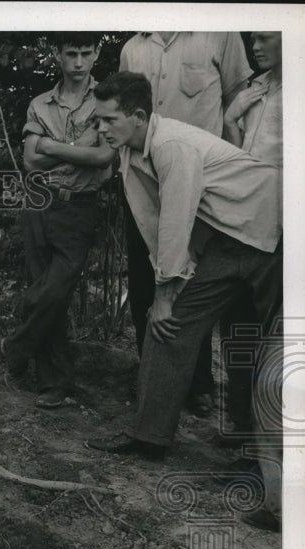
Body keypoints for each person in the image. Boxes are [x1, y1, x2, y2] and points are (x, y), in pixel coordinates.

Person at [86, 73, 281, 460]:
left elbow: (176, 220)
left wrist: (164, 294)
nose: (101, 128)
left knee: (268, 344)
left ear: (139, 116)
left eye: (110, 120)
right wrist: (170, 292)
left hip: (277, 231)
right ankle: (149, 437)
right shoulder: (131, 149)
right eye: (98, 120)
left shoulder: (171, 145)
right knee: (171, 329)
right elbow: (154, 224)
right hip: (231, 237)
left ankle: (254, 449)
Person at [118, 32, 252, 417]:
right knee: (146, 284)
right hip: (145, 180)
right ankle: (153, 380)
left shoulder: (219, 35)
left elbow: (237, 105)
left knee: (195, 285)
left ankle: (199, 386)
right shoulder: (132, 47)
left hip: (204, 189)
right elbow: (123, 112)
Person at [0, 32, 113, 408]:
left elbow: (102, 158)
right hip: (39, 203)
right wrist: (77, 149)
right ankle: (54, 382)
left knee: (55, 289)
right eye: (71, 54)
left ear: (97, 54)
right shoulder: (39, 104)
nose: (79, 62)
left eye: (86, 53)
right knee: (46, 291)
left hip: (79, 205)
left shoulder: (107, 101)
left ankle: (15, 347)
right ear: (57, 55)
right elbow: (31, 161)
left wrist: (49, 144)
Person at [221, 32, 283, 532]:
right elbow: (243, 162)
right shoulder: (256, 91)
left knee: (278, 368)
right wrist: (230, 117)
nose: (256, 45)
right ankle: (271, 488)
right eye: (253, 37)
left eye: (266, 37)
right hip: (253, 228)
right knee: (255, 350)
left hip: (287, 230)